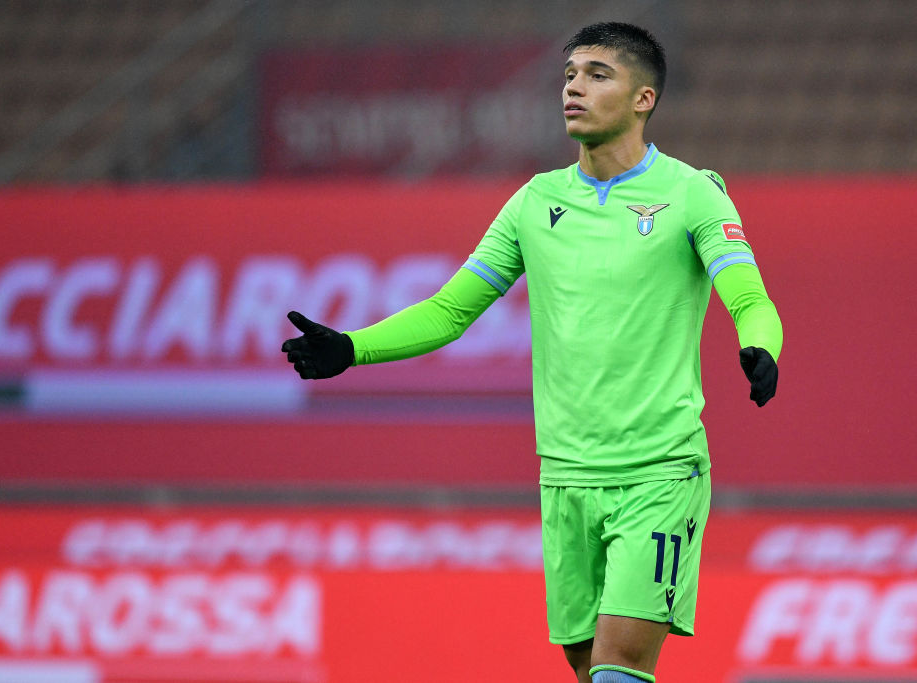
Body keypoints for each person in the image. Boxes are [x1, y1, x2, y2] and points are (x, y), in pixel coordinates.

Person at [281, 21, 782, 683]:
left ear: (644, 99)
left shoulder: (691, 193)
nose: (575, 86)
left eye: (598, 74)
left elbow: (749, 296)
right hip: (564, 476)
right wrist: (353, 347)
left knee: (619, 666)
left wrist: (760, 345)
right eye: (570, 74)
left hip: (659, 471)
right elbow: (449, 310)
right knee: (587, 666)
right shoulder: (534, 203)